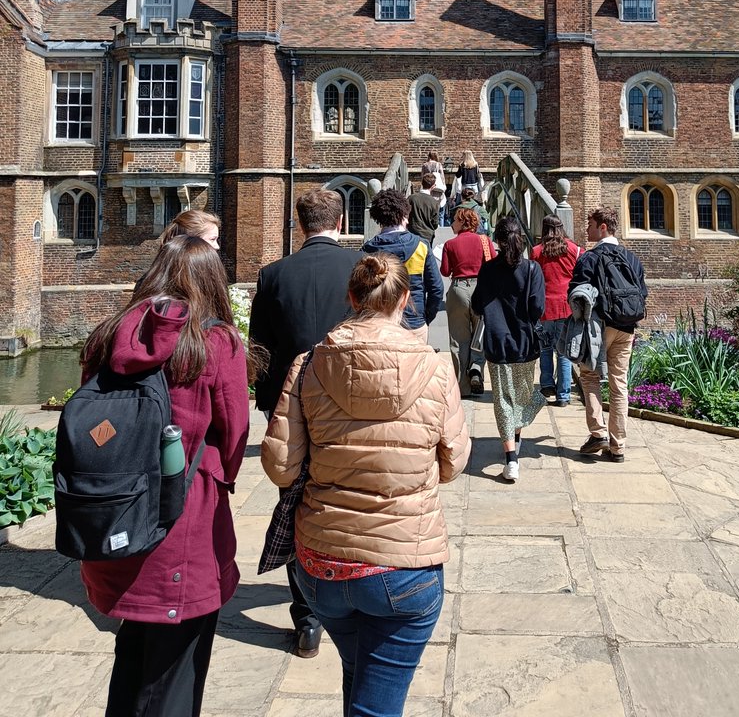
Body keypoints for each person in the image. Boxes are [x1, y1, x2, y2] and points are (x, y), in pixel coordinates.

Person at [261, 254, 470, 717]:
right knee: (377, 703)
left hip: (322, 566)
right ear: (405, 301)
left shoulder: (309, 363)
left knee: (359, 675)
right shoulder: (436, 368)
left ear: (351, 298)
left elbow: (280, 467)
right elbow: (453, 462)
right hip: (402, 565)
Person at [79, 237, 253, 717]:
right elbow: (234, 433)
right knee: (175, 675)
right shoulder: (214, 343)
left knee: (133, 657)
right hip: (184, 522)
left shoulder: (109, 335)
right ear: (214, 281)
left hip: (115, 512)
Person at [249, 187, 361, 657]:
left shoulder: (272, 275)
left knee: (295, 507)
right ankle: (350, 599)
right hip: (347, 412)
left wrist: (269, 401)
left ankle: (308, 618)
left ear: (301, 225)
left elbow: (259, 348)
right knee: (348, 504)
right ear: (340, 222)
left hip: (290, 413)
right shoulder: (358, 268)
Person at [569, 206, 647, 463]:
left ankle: (597, 433)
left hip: (599, 328)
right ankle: (618, 447)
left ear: (603, 227)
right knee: (619, 384)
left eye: (591, 225)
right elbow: (643, 293)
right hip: (627, 327)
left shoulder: (590, 258)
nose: (588, 229)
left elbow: (577, 293)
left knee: (590, 377)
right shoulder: (632, 258)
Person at [472, 216, 546, 482]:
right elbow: (538, 308)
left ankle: (511, 455)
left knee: (504, 399)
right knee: (520, 397)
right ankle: (512, 454)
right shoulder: (532, 270)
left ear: (498, 242)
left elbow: (477, 305)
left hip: (497, 341)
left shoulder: (488, 269)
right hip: (525, 342)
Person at [362, 188, 442, 334]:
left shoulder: (368, 250)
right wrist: (425, 318)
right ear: (404, 214)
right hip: (414, 320)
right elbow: (436, 288)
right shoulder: (421, 245)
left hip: (379, 325)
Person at [440, 207, 496, 396]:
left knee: (458, 340)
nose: (451, 223)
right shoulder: (485, 241)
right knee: (479, 335)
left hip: (459, 289)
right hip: (481, 289)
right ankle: (476, 369)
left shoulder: (450, 244)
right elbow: (493, 266)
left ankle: (462, 386)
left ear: (463, 222)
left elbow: (445, 271)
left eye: (454, 220)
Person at [531, 216, 582, 407]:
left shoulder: (536, 251)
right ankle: (563, 395)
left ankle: (546, 384)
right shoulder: (574, 250)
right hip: (566, 307)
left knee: (545, 349)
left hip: (544, 307)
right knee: (564, 353)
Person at [408, 174, 441, 245]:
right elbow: (435, 223)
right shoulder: (434, 202)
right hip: (427, 236)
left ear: (422, 183)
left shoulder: (411, 198)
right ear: (433, 186)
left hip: (412, 234)